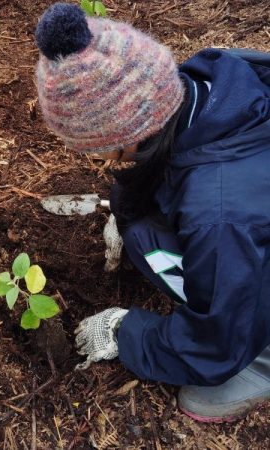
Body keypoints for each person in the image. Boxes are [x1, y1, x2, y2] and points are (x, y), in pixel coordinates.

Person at [35, 3, 270, 423]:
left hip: (238, 233)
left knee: (204, 384)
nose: (92, 156)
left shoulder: (219, 215)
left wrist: (127, 334)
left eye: (92, 147)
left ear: (128, 133)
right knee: (138, 217)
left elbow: (212, 342)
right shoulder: (214, 78)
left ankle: (262, 361)